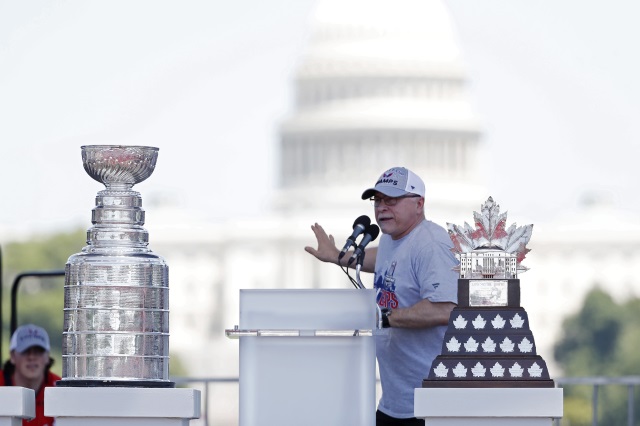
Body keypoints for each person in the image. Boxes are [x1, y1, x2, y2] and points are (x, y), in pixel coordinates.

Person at [305, 166, 458, 426]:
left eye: (392, 200)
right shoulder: (392, 239)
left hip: (431, 406)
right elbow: (384, 259)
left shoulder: (430, 243)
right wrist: (338, 258)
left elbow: (445, 310)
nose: (381, 208)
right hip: (395, 403)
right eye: (378, 200)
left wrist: (381, 317)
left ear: (419, 204)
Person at [1, 324, 60, 426]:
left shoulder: (59, 389)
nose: (32, 357)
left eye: (38, 351)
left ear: (47, 356)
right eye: (25, 351)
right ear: (12, 356)